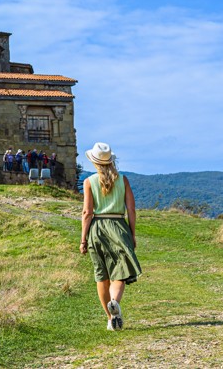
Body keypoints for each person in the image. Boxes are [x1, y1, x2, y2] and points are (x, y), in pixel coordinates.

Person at [80, 142, 142, 332]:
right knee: (119, 273)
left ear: (94, 162)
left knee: (101, 275)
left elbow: (87, 213)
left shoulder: (89, 182)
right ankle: (114, 301)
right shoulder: (123, 180)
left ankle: (110, 318)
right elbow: (131, 209)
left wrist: (83, 239)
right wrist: (131, 233)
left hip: (97, 228)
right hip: (118, 226)